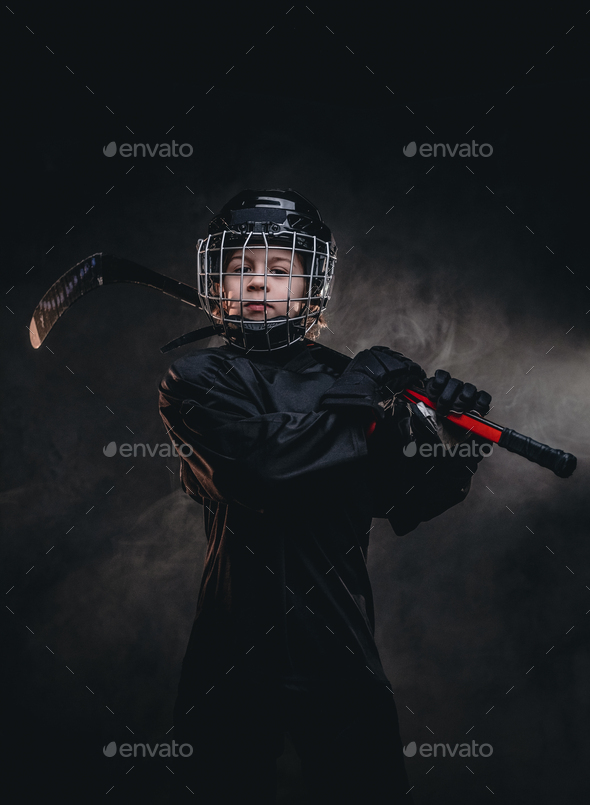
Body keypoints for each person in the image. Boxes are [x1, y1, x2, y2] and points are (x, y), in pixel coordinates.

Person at [158, 189, 492, 804]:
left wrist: (449, 438)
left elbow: (410, 496)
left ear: (311, 280)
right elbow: (260, 469)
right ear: (217, 280)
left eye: (279, 270)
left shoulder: (351, 381)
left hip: (338, 645)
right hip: (233, 649)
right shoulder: (198, 379)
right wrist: (361, 396)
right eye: (240, 268)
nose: (258, 283)